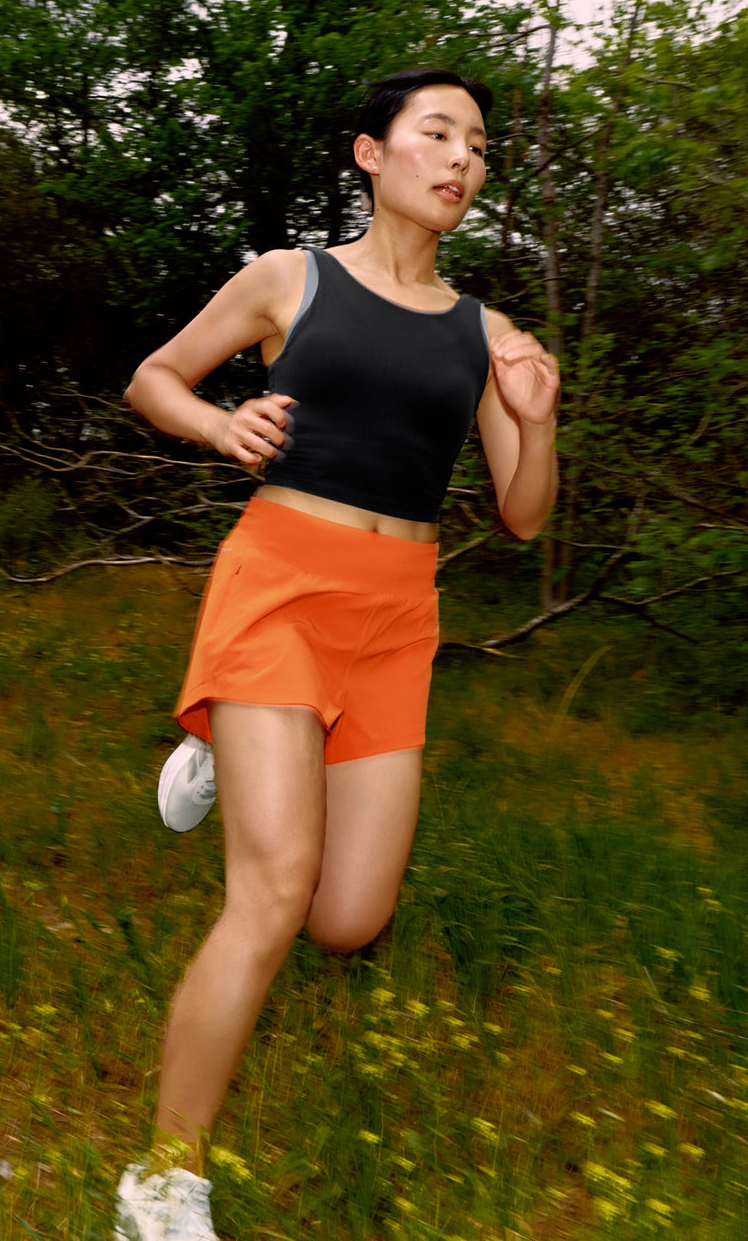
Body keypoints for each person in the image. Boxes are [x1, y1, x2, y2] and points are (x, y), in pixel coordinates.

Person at [115, 68, 560, 1240]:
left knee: (347, 915)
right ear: (371, 152)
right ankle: (163, 1178)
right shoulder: (290, 278)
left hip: (395, 618)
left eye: (477, 144)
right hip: (281, 585)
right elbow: (154, 377)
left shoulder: (486, 334)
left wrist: (536, 417)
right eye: (437, 132)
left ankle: (229, 752)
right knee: (270, 893)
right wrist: (219, 422)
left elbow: (522, 513)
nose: (460, 158)